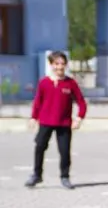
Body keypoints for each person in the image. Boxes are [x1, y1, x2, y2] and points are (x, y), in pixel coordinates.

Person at [27, 51, 87, 190]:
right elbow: (38, 102)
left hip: (64, 123)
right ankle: (37, 175)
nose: (60, 67)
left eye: (62, 64)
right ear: (51, 64)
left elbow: (82, 103)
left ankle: (65, 177)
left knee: (64, 151)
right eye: (56, 64)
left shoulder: (70, 83)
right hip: (45, 122)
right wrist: (34, 117)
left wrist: (79, 118)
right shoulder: (44, 82)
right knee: (40, 147)